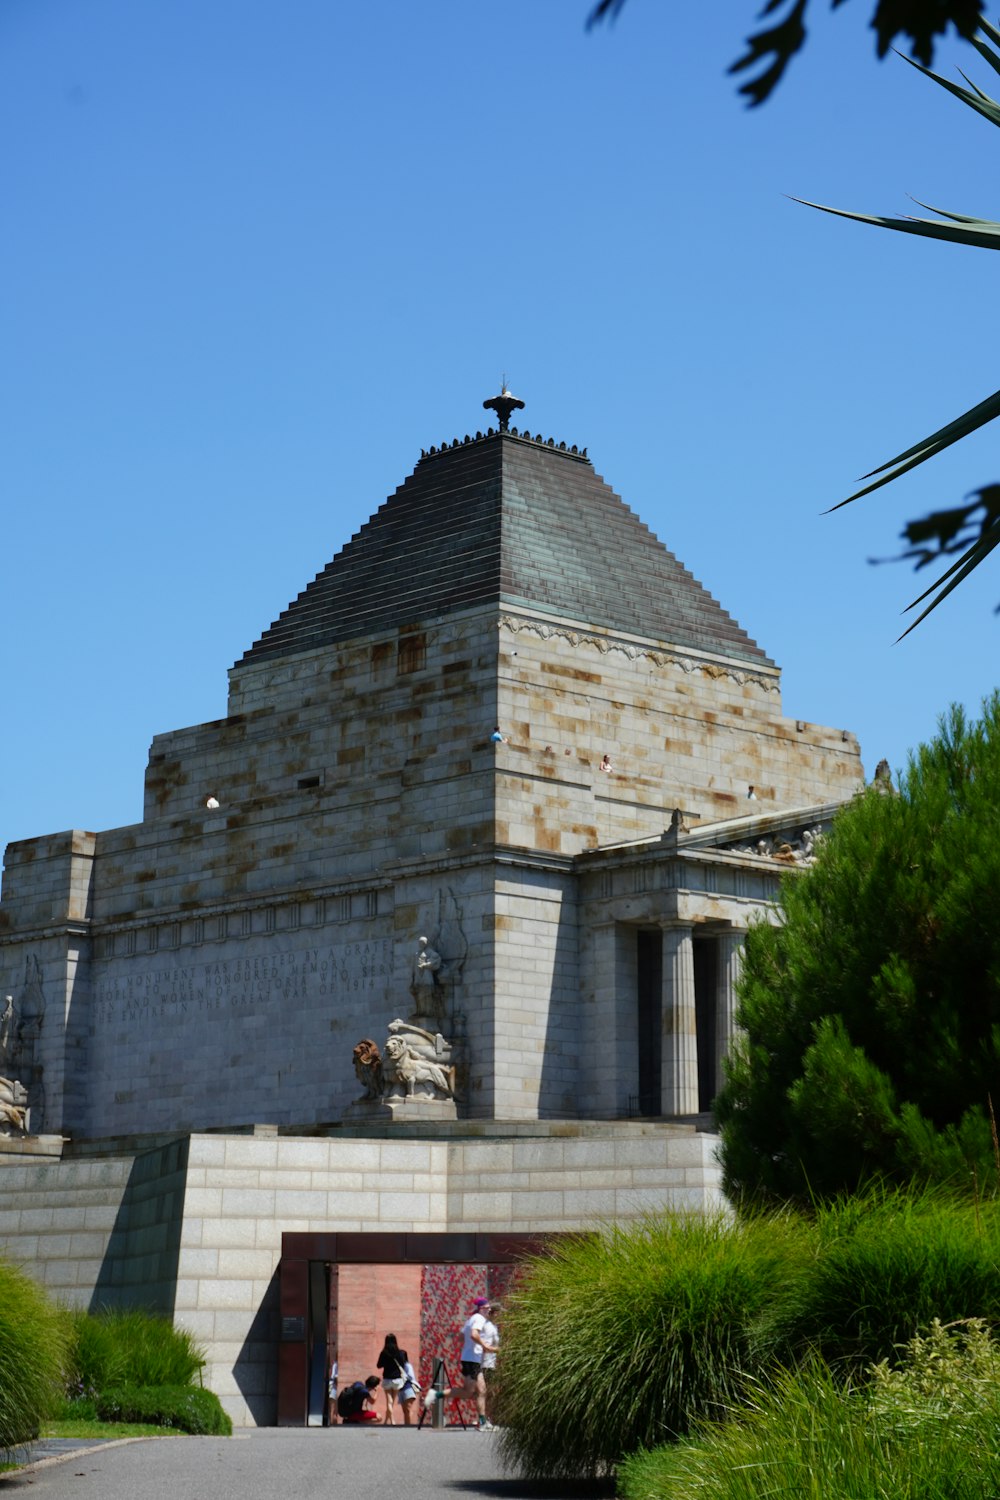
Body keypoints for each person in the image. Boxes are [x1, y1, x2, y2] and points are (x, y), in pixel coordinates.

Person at [423, 1297, 494, 1429]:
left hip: (471, 1359)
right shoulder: (479, 1318)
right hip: (472, 1360)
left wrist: (471, 1347)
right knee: (474, 1391)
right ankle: (436, 1395)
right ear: (481, 1308)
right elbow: (473, 1335)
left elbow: (461, 1337)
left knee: (475, 1391)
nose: (489, 1309)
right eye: (487, 1307)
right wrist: (485, 1346)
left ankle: (483, 1422)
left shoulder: (470, 1319)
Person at [376, 1333, 410, 1424]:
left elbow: (378, 1365)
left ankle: (392, 1420)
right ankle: (387, 1421)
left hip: (387, 1379)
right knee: (392, 1401)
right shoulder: (400, 1353)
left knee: (389, 1401)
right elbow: (403, 1365)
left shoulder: (384, 1353)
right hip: (397, 1380)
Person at [480, 1305, 500, 1423]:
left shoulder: (494, 1326)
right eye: (498, 1313)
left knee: (491, 1392)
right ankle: (485, 1418)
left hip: (492, 1363)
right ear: (493, 1313)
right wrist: (498, 1350)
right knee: (488, 1391)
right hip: (486, 1364)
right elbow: (484, 1346)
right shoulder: (487, 1327)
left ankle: (488, 1417)